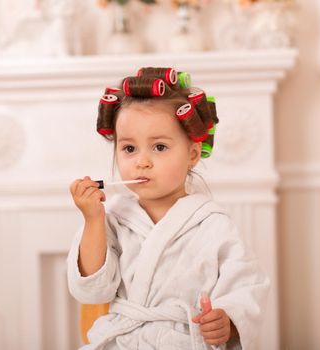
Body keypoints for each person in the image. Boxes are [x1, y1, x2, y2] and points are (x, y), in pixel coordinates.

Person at [67, 67, 269, 350]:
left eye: (159, 147)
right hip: (122, 341)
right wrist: (92, 219)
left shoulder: (213, 225)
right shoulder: (112, 218)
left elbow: (247, 286)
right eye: (129, 149)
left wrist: (227, 319)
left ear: (192, 155)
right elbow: (92, 290)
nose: (142, 162)